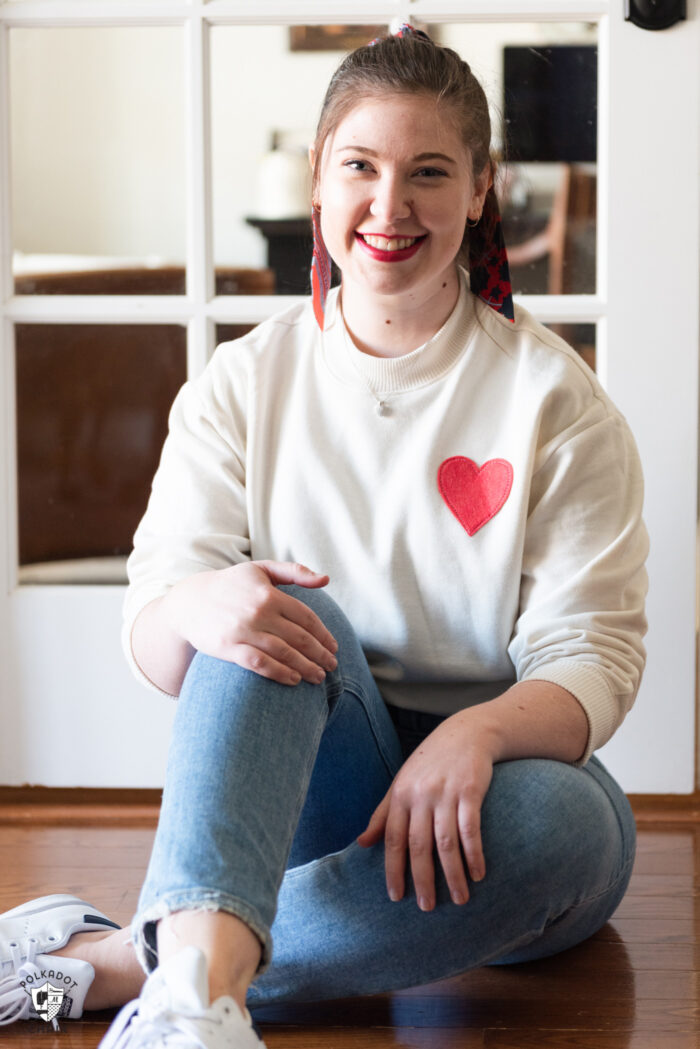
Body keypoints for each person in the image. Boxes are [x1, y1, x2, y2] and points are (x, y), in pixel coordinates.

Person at [0, 25, 647, 1049]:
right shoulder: (241, 384)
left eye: (429, 173)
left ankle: (132, 959)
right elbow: (158, 638)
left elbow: (594, 658)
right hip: (308, 789)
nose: (389, 208)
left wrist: (471, 734)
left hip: (492, 794)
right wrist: (195, 603)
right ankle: (197, 1005)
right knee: (269, 610)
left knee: (571, 824)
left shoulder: (556, 402)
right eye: (360, 167)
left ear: (481, 188)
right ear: (317, 176)